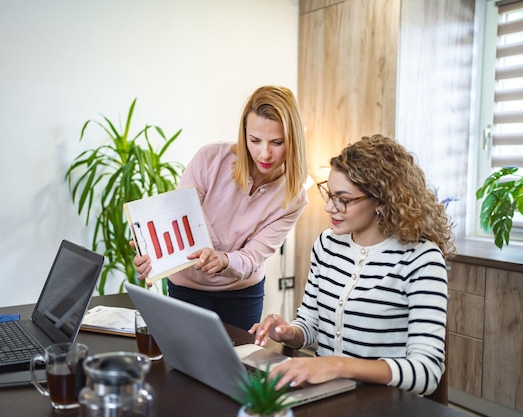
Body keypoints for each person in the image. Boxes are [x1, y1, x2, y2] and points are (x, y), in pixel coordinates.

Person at [250, 134, 455, 396]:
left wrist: (338, 366)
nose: (329, 208)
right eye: (329, 194)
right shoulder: (327, 245)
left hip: (383, 404)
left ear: (381, 200)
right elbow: (311, 325)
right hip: (325, 394)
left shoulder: (421, 259)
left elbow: (426, 373)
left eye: (343, 199)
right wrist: (289, 331)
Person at [132, 86, 308, 330]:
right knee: (185, 364)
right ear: (244, 133)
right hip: (187, 287)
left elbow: (252, 256)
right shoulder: (210, 160)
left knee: (237, 363)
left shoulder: (294, 196)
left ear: (293, 139)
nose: (265, 153)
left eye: (277, 142)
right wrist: (153, 252)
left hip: (241, 293)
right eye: (255, 140)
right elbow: (173, 220)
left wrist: (224, 260)